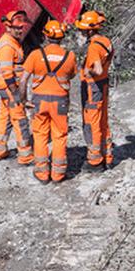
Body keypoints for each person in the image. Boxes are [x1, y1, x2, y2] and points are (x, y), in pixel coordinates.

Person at [23, 20, 77, 183]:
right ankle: (58, 174)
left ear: (45, 35)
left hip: (39, 101)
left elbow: (24, 79)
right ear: (62, 37)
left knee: (40, 135)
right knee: (59, 136)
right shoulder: (70, 56)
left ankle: (42, 173)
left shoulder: (35, 55)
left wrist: (24, 99)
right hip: (60, 101)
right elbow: (72, 75)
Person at [0, 10, 34, 165]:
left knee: (6, 117)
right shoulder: (7, 46)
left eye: (21, 27)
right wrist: (16, 93)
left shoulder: (12, 42)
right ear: (8, 27)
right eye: (17, 28)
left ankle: (0, 150)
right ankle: (25, 156)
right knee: (20, 119)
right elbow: (7, 72)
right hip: (10, 87)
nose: (20, 30)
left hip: (6, 87)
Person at [76, 10, 114, 169]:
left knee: (92, 123)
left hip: (93, 86)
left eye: (83, 29)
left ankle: (95, 161)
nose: (81, 32)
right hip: (103, 84)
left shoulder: (93, 47)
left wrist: (87, 71)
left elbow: (97, 69)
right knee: (103, 120)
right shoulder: (106, 41)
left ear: (90, 30)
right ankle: (107, 156)